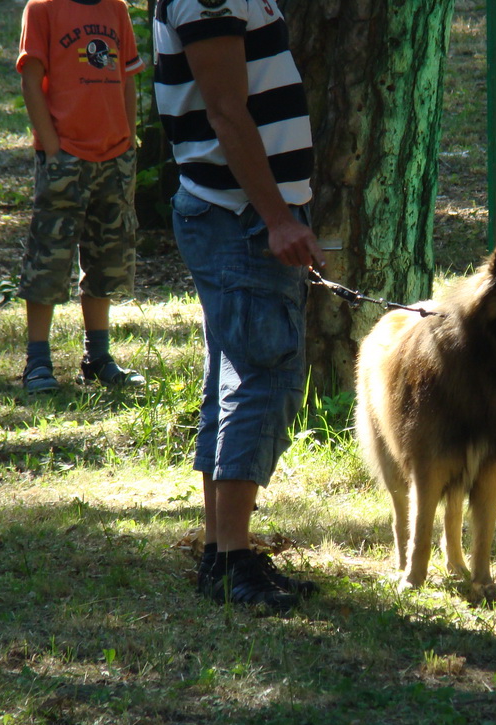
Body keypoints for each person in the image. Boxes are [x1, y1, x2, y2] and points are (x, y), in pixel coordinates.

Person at [154, 0, 323, 613]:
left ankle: (223, 550)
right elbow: (226, 108)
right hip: (241, 217)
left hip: (238, 213)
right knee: (260, 376)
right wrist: (277, 218)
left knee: (233, 376)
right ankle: (231, 560)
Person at [16, 0, 147, 393]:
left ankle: (98, 358)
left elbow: (126, 79)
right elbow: (30, 79)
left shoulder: (116, 10)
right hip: (65, 158)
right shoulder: (42, 9)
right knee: (48, 257)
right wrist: (53, 149)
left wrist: (127, 142)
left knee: (107, 257)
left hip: (114, 157)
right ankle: (38, 361)